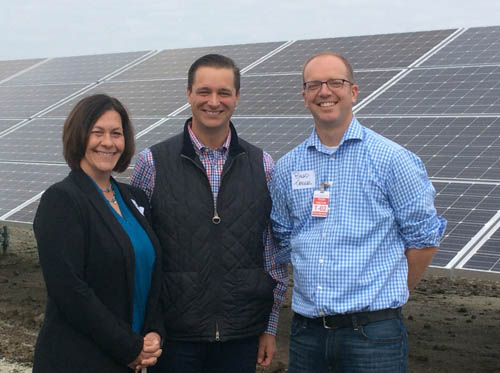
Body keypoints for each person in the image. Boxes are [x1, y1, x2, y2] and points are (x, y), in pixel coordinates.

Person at [270, 52, 447, 372]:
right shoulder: (288, 167)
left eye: (335, 82)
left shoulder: (392, 160)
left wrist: (389, 291)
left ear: (353, 91)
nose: (324, 92)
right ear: (304, 96)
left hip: (373, 336)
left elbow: (424, 239)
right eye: (314, 85)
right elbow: (282, 238)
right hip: (306, 334)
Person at [131, 54, 288, 373]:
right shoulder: (153, 164)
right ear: (188, 94)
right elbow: (141, 254)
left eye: (224, 92)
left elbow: (272, 256)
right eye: (204, 91)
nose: (213, 102)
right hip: (173, 337)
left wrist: (269, 327)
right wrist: (144, 328)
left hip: (240, 337)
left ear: (237, 97)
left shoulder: (263, 166)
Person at [33, 94, 163, 372]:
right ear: (80, 136)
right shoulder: (62, 200)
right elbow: (70, 290)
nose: (108, 142)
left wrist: (153, 332)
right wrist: (129, 347)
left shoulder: (134, 198)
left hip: (133, 356)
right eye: (97, 132)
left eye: (116, 134)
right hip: (80, 358)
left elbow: (151, 275)